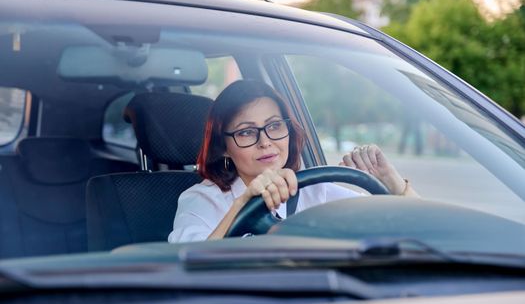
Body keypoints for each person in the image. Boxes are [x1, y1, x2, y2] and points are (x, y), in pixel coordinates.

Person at [168, 80, 418, 243]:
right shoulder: (202, 200)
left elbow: (418, 228)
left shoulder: (315, 190)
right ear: (223, 147)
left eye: (274, 126)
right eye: (246, 132)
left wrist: (394, 185)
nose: (265, 142)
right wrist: (243, 203)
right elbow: (185, 268)